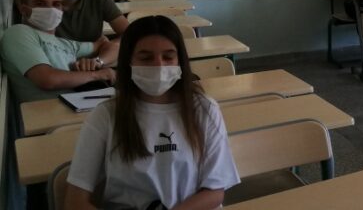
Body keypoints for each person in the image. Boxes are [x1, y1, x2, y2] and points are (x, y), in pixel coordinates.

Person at [65, 15, 240, 209]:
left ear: (180, 61)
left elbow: (215, 191)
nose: (159, 65)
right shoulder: (105, 115)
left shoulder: (204, 109)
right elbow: (75, 201)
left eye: (168, 57)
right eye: (146, 58)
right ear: (129, 61)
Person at [1, 0, 118, 104]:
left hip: (81, 104)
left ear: (62, 10)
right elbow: (47, 79)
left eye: (56, 4)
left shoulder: (66, 44)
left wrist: (98, 61)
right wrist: (97, 75)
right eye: (40, 4)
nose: (50, 10)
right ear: (24, 10)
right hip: (50, 113)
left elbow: (109, 45)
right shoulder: (19, 33)